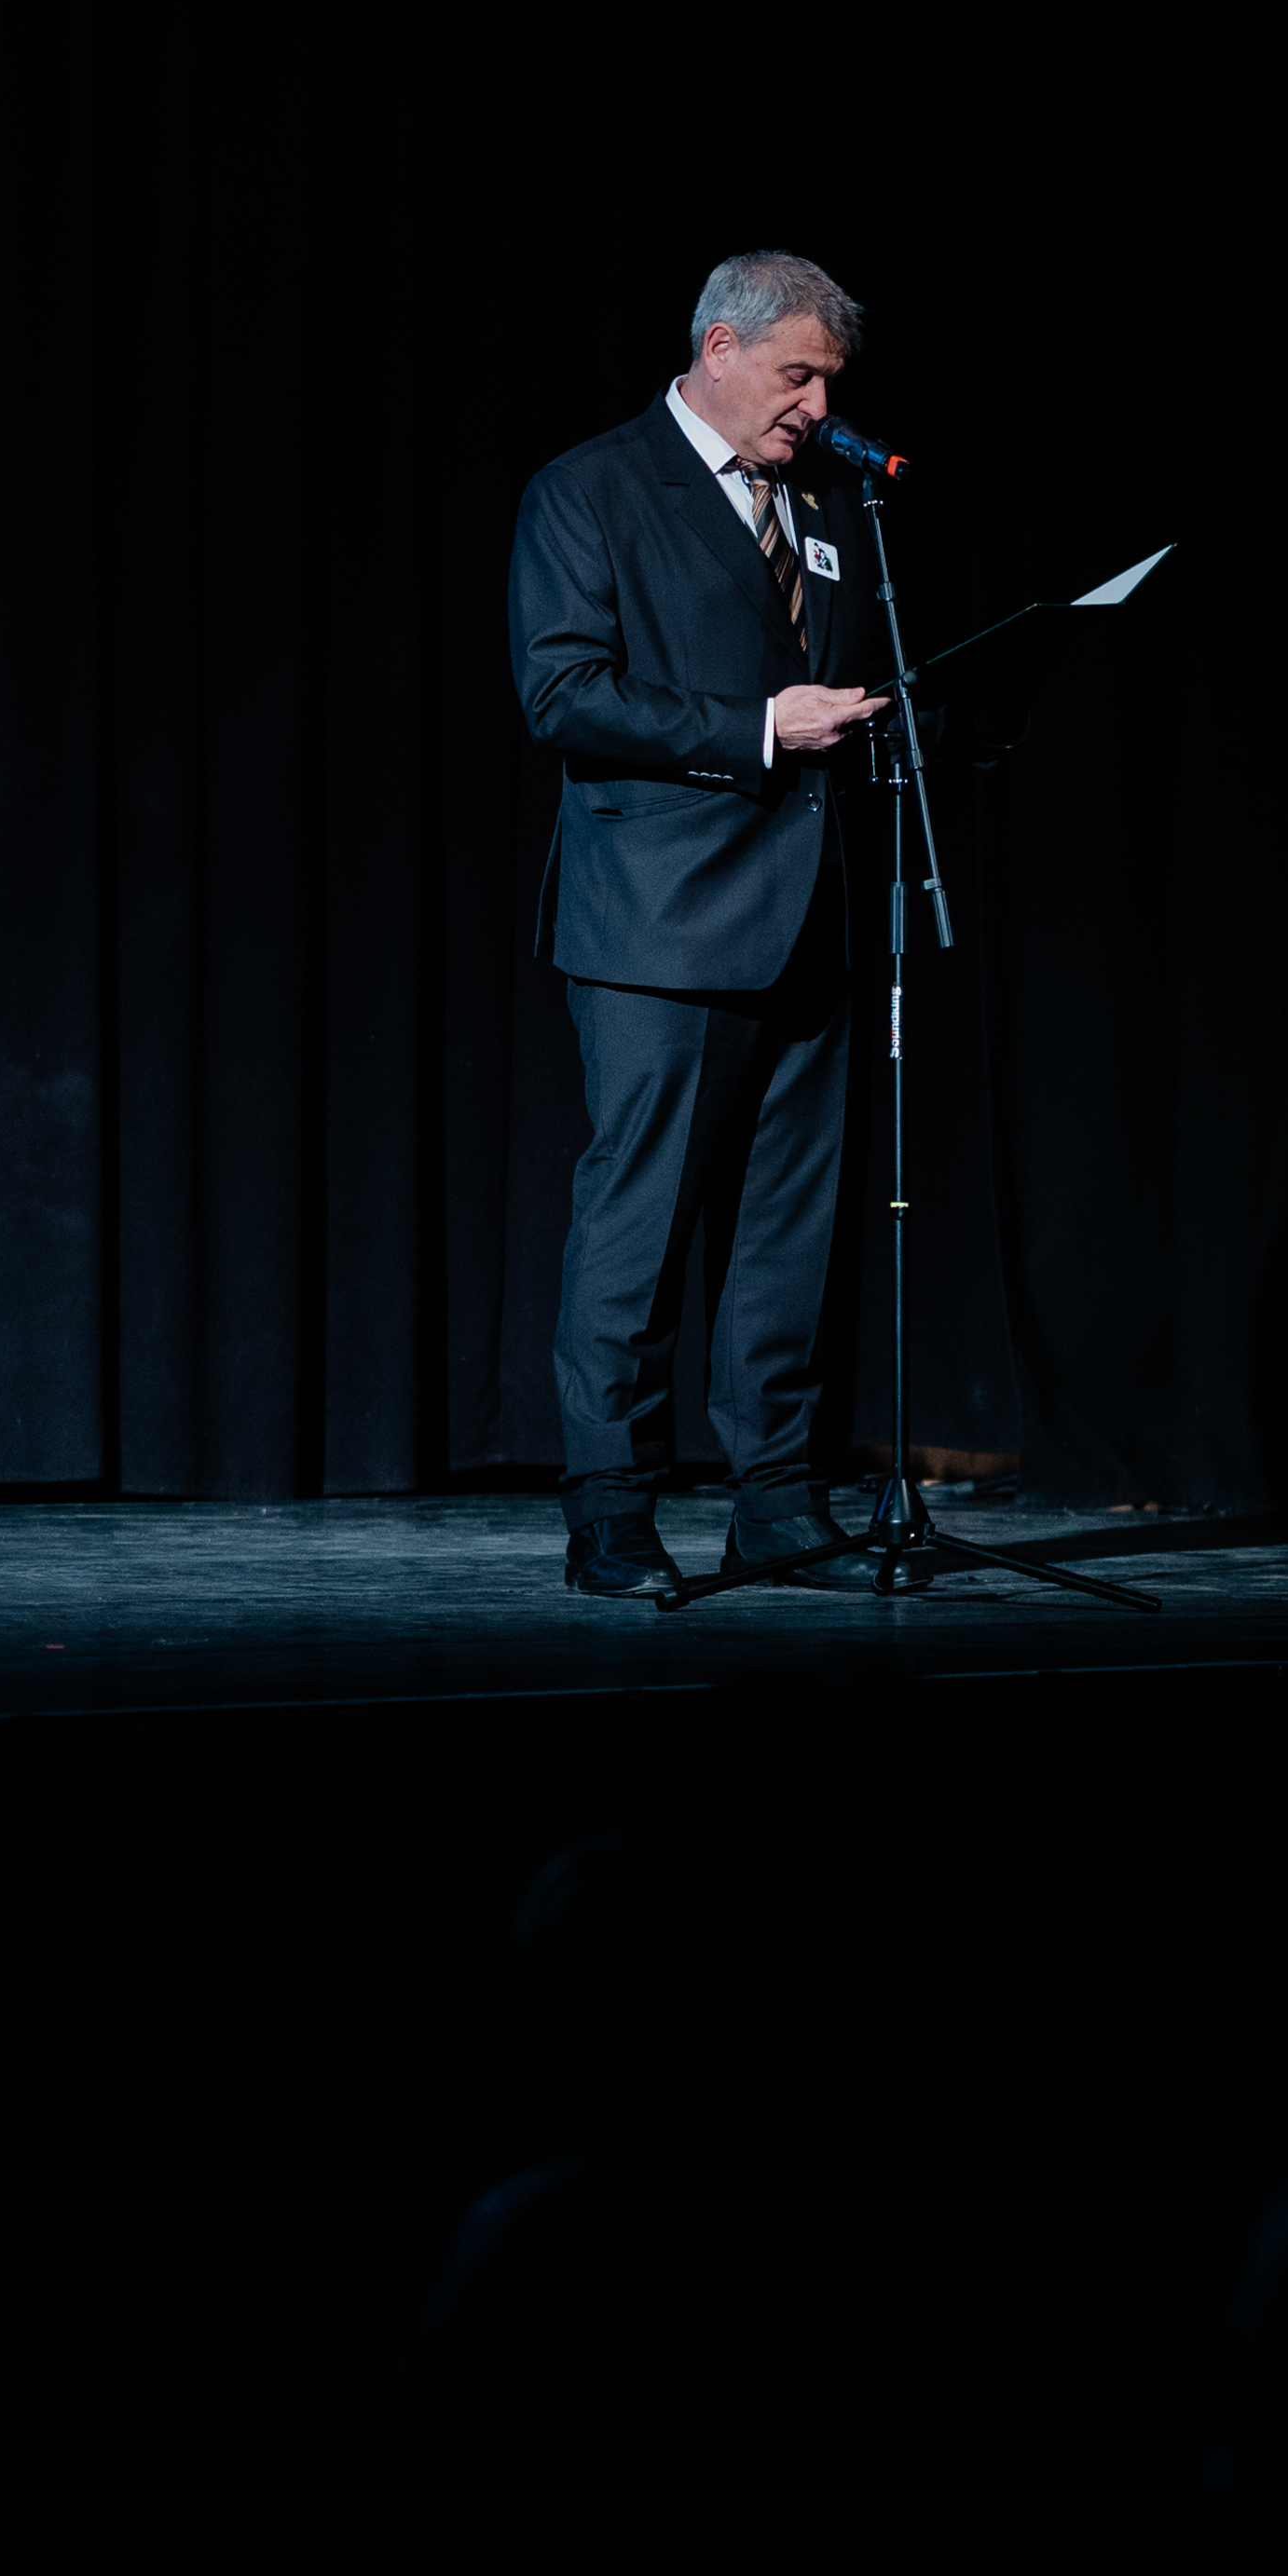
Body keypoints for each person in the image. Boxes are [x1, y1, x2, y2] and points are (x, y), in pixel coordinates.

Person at [510, 251, 892, 1595]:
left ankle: (777, 1502)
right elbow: (563, 694)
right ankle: (611, 1511)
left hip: (811, 910)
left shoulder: (829, 498)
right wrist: (759, 729)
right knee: (643, 1223)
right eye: (797, 376)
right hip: (661, 922)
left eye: (828, 381)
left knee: (789, 1230)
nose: (816, 407)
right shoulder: (592, 489)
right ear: (718, 348)